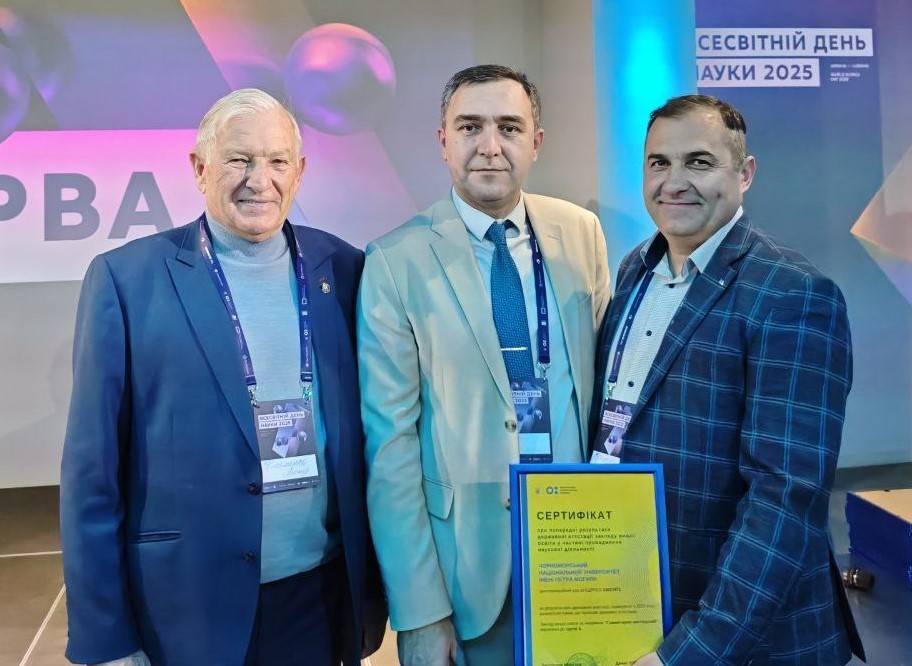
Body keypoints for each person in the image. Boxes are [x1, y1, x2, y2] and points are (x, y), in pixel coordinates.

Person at [60, 88, 386, 666]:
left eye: (277, 161)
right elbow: (92, 475)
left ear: (300, 171)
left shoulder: (344, 269)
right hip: (184, 609)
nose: (260, 180)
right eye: (239, 159)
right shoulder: (127, 280)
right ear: (199, 167)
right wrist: (105, 638)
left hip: (317, 597)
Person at [589, 94, 865, 665]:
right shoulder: (635, 269)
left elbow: (783, 499)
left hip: (742, 638)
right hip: (640, 603)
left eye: (699, 162)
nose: (674, 182)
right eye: (659, 162)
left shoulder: (793, 295)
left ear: (745, 173)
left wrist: (690, 653)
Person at [358, 64, 610, 664]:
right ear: (443, 140)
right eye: (470, 126)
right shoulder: (395, 260)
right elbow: (390, 447)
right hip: (467, 574)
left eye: (509, 127)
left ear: (536, 142)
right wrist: (420, 612)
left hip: (584, 554)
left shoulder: (581, 234)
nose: (490, 146)